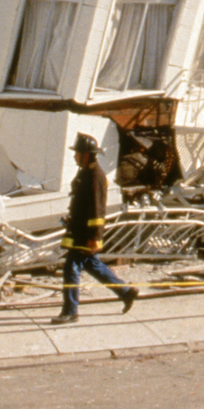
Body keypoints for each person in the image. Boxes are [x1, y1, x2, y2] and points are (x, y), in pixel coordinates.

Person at [51, 133, 138, 324]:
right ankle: (126, 292)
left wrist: (95, 236)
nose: (74, 157)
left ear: (86, 154)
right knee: (94, 266)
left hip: (85, 234)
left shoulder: (96, 176)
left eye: (77, 153)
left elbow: (98, 210)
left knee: (70, 269)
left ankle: (70, 311)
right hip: (79, 230)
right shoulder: (85, 172)